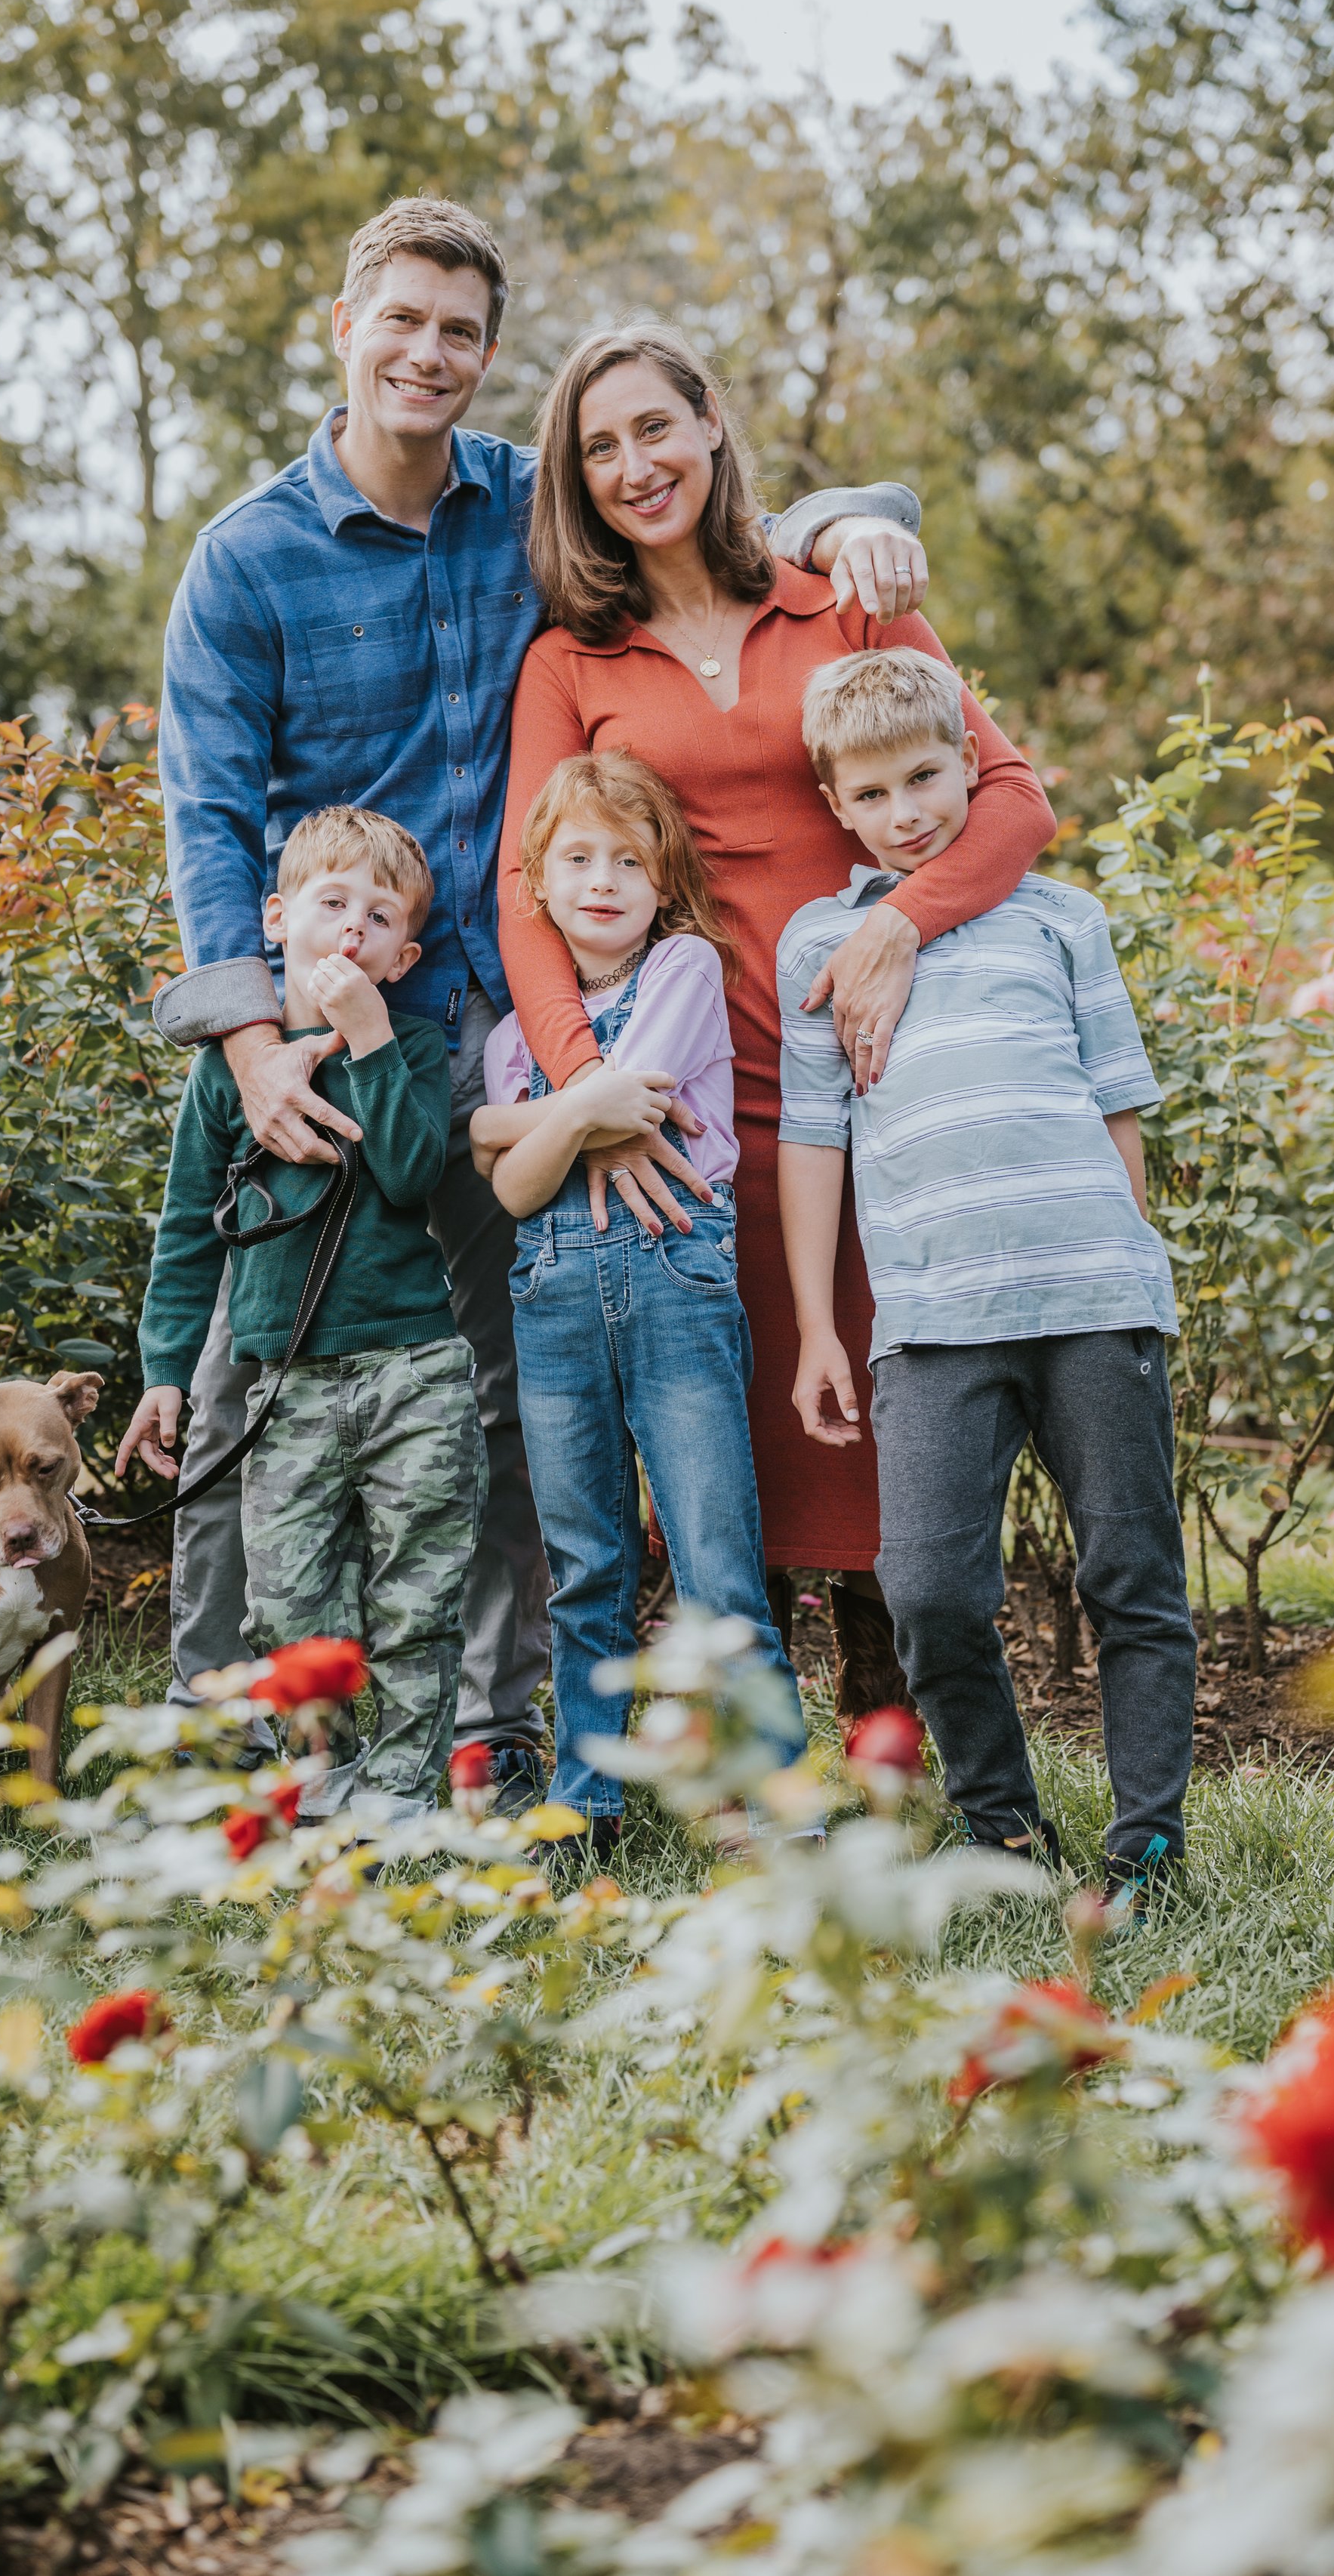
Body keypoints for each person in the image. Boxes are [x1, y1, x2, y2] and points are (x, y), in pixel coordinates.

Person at [155, 199, 929, 1809]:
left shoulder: (529, 506)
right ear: (345, 326)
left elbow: (713, 525)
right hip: (321, 1036)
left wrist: (864, 509)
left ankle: (489, 1744)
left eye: (458, 332)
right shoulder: (246, 558)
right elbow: (209, 816)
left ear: (486, 356)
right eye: (402, 321)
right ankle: (230, 1752)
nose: (428, 354)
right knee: (263, 1386)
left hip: (506, 1030)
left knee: (509, 1408)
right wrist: (245, 1041)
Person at [498, 323, 1058, 1717]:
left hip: (884, 1065)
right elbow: (524, 893)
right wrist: (594, 1093)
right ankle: (744, 1723)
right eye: (600, 447)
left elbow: (1014, 798)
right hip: (692, 1094)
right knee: (728, 1419)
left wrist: (895, 922)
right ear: (576, 480)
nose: (636, 466)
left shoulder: (841, 603)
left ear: (712, 426)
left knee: (890, 1383)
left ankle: (893, 1692)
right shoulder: (575, 659)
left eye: (656, 428)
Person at [775, 648, 1195, 1902]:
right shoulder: (825, 939)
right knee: (929, 1586)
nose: (908, 811)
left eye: (927, 776)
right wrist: (814, 1326)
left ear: (974, 763)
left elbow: (1119, 1104)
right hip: (933, 1318)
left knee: (1132, 1573)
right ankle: (1001, 1824)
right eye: (876, 793)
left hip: (1095, 1299)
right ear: (836, 805)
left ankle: (1148, 1841)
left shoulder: (1062, 918)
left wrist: (1134, 1253)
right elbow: (813, 1143)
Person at [119, 807, 484, 1820]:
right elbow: (191, 1224)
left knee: (417, 1592)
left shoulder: (409, 1048)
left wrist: (367, 1038)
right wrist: (163, 1369)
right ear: (277, 921)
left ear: (406, 954)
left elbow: (412, 1177)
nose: (354, 931)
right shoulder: (225, 1073)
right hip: (286, 1381)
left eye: (380, 917)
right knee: (289, 1601)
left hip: (412, 1367)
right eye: (333, 905)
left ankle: (406, 1798)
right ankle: (325, 1786)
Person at [472, 752, 806, 1850]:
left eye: (630, 858)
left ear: (665, 880)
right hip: (555, 1295)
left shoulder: (686, 971)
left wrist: (527, 1124)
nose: (604, 879)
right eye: (578, 857)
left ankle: (773, 1800)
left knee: (716, 1555)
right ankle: (588, 1799)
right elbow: (521, 1191)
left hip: (674, 1276)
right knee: (585, 1565)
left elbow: (631, 1108)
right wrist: (564, 1117)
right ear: (538, 879)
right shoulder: (513, 1035)